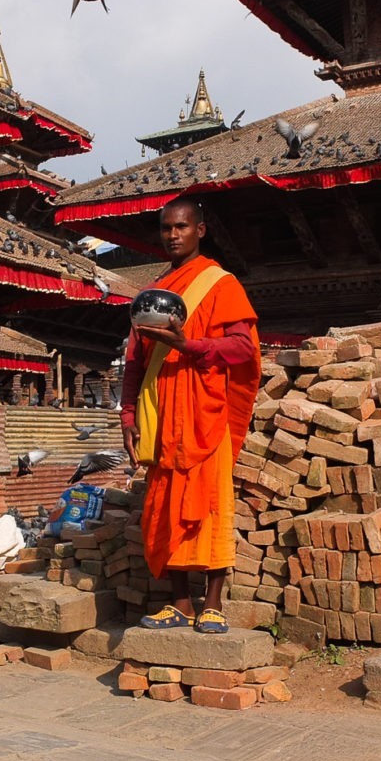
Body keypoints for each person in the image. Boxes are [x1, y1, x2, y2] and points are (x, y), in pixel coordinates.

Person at [120, 198, 261, 634]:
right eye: (166, 228)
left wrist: (189, 346)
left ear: (200, 230)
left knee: (211, 505)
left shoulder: (220, 283)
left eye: (181, 227)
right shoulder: (153, 292)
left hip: (205, 412)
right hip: (161, 414)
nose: (172, 235)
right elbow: (135, 361)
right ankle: (180, 602)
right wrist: (128, 416)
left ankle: (212, 603)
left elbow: (243, 347)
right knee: (165, 506)